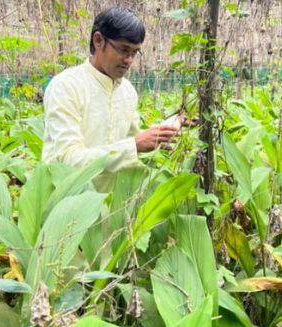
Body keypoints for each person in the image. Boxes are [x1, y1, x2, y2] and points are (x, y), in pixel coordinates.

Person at [42, 7, 180, 191]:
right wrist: (135, 145)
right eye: (123, 50)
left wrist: (168, 128)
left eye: (134, 53)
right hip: (66, 205)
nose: (129, 60)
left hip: (110, 206)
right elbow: (68, 160)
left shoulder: (128, 91)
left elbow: (133, 139)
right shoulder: (66, 86)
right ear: (98, 40)